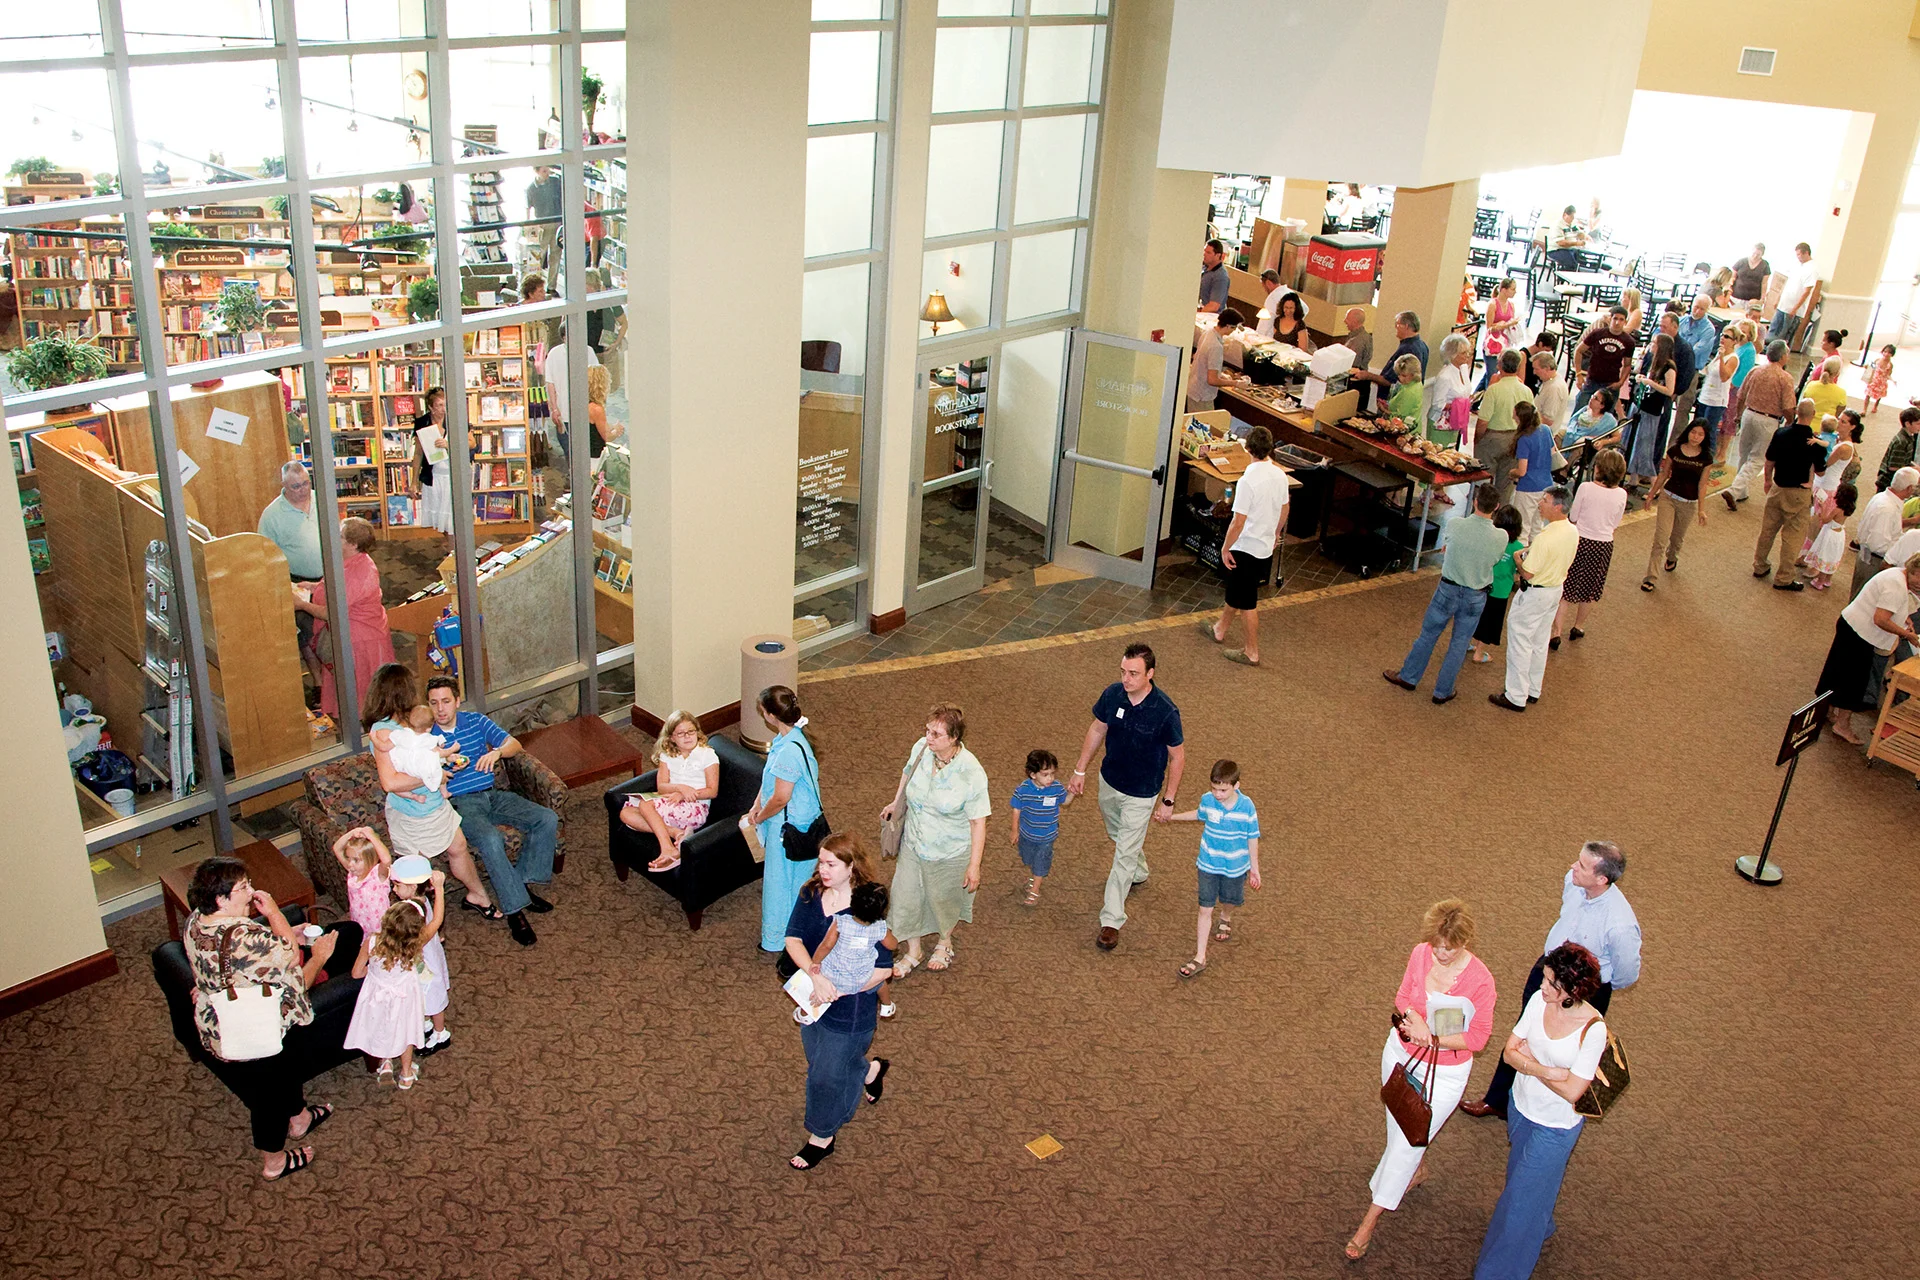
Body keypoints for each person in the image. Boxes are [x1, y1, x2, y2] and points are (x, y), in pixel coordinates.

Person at [181, 856, 362, 1179]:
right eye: (243, 887)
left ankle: (300, 1117)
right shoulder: (245, 938)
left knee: (285, 1067)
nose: (252, 891)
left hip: (216, 1017)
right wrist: (281, 919)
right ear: (222, 899)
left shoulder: (196, 921)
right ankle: (274, 1162)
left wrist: (285, 931)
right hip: (252, 1028)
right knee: (269, 1095)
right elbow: (293, 964)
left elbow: (225, 958)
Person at [1344, 900, 1498, 1263]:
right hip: (1400, 1054)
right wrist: (1413, 1021)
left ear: (1465, 942)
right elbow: (1402, 997)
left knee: (1403, 1148)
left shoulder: (1480, 981)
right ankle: (1419, 1168)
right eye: (1437, 945)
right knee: (1400, 1120)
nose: (1441, 953)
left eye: (1451, 947)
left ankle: (1369, 1222)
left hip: (1444, 1071)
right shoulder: (1420, 954)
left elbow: (1478, 1038)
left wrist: (1432, 1038)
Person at [1463, 841, 1639, 1122]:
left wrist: (1595, 989)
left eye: (1581, 865)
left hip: (1582, 991)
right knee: (1524, 1030)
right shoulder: (1574, 881)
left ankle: (1542, 1112)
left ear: (1601, 879)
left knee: (1561, 1047)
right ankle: (1497, 1100)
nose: (1572, 867)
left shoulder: (1620, 924)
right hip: (1547, 970)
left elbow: (1627, 971)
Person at [1470, 942, 1611, 1280]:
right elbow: (1508, 1053)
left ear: (1573, 991)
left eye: (1551, 983)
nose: (1542, 987)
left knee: (1518, 1203)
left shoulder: (1593, 1030)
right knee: (1524, 1182)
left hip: (1555, 1128)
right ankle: (1542, 1220)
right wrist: (1547, 1070)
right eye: (1544, 979)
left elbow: (1574, 1091)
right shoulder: (1538, 1000)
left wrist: (1528, 1061)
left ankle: (1497, 1273)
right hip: (1522, 1107)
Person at [783, 835, 892, 1171]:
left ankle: (822, 1137)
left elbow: (884, 967)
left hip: (851, 1007)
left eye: (831, 864)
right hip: (815, 995)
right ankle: (869, 1069)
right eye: (821, 861)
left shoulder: (864, 908)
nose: (822, 869)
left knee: (824, 1076)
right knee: (819, 1057)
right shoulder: (811, 892)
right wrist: (816, 976)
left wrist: (844, 989)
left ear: (851, 867)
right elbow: (793, 938)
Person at [1068, 643, 1186, 953]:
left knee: (1122, 856)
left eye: (1133, 673)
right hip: (1109, 782)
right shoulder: (1113, 694)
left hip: (1142, 793)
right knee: (1119, 836)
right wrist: (1080, 770)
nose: (1126, 679)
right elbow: (1097, 728)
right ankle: (1140, 868)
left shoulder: (1165, 711)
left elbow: (1177, 757)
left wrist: (1169, 800)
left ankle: (1111, 920)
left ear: (1151, 674)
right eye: (1123, 671)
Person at [426, 675, 559, 946]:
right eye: (434, 703)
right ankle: (514, 911)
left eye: (446, 701)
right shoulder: (426, 740)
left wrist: (496, 753)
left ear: (457, 701)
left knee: (547, 818)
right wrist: (443, 775)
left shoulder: (475, 721)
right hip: (462, 804)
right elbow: (423, 782)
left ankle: (520, 882)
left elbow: (515, 745)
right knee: (490, 839)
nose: (440, 709)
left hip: (494, 796)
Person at [362, 666, 494, 924]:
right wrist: (434, 775)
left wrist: (444, 762)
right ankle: (426, 928)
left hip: (435, 804)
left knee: (459, 846)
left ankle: (478, 895)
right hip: (411, 814)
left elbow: (426, 753)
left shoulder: (413, 719)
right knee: (417, 873)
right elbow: (390, 782)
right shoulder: (383, 730)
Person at [880, 704, 990, 976]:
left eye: (937, 734)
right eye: (928, 731)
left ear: (954, 738)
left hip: (948, 849)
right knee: (905, 895)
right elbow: (907, 772)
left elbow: (978, 821)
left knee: (943, 899)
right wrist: (896, 802)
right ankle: (913, 950)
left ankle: (944, 941)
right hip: (914, 841)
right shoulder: (921, 748)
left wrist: (974, 865)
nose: (929, 738)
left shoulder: (971, 772)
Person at [1384, 484, 1508, 704]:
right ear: (1497, 507)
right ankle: (1443, 691)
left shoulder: (1455, 524)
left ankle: (1409, 676)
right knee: (1459, 643)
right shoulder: (1501, 537)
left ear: (1475, 502)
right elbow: (1495, 560)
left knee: (1428, 634)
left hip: (1448, 588)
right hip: (1476, 595)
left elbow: (1447, 548)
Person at [343, 874, 444, 1091]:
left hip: (377, 993)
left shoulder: (372, 942)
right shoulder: (414, 945)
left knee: (383, 1025)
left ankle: (386, 1062)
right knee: (406, 1030)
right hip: (405, 995)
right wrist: (439, 889)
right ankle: (406, 1074)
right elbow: (436, 921)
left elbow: (356, 972)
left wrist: (375, 974)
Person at [1166, 759, 1261, 979]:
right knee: (1205, 908)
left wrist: (1254, 869)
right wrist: (1173, 818)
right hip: (1208, 862)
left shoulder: (1247, 806)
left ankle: (1226, 917)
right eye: (1214, 788)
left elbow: (1252, 837)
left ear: (1236, 786)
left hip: (1235, 867)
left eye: (1223, 790)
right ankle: (1200, 956)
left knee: (1229, 899)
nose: (1217, 794)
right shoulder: (1208, 800)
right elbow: (1199, 814)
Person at [746, 685, 824, 954]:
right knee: (796, 881)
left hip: (790, 827)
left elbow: (780, 798)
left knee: (782, 884)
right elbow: (770, 779)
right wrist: (757, 804)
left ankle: (780, 938)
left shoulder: (788, 749)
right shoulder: (791, 737)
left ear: (770, 715)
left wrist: (759, 816)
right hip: (798, 821)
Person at [294, 517, 396, 721]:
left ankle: (361, 731)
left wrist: (302, 605)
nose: (335, 538)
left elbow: (331, 613)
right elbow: (335, 588)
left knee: (360, 692)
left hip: (359, 641)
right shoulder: (349, 561)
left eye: (340, 535)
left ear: (352, 544)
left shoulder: (360, 572)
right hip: (354, 636)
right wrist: (314, 587)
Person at [1205, 425, 1287, 666]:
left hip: (1246, 546)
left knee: (1248, 601)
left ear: (1248, 448)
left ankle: (1252, 651)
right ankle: (1220, 628)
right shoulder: (1280, 475)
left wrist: (1225, 547)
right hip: (1264, 546)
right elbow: (1285, 508)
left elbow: (1238, 522)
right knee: (1239, 589)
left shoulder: (1247, 480)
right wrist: (1275, 534)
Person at [1490, 486, 1577, 713]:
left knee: (1520, 641)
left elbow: (1526, 573)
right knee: (1539, 642)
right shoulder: (1571, 531)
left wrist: (1518, 558)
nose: (1540, 503)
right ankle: (1532, 689)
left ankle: (1515, 695)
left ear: (1557, 506)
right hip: (1554, 590)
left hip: (1535, 593)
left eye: (1545, 500)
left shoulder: (1545, 538)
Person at [1818, 554, 1920, 744]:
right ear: (1913, 570)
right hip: (1861, 635)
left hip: (1852, 626)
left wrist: (1902, 618)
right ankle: (1842, 724)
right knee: (1854, 682)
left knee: (1837, 673)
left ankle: (1828, 710)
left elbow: (1887, 607)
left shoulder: (1897, 573)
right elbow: (1880, 619)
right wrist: (1906, 634)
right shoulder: (1896, 586)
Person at [618, 710, 720, 872]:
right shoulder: (668, 755)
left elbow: (712, 791)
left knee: (645, 806)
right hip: (670, 801)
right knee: (626, 813)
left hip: (695, 807)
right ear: (672, 737)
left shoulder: (707, 755)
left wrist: (686, 794)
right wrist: (680, 788)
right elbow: (662, 787)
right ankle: (676, 833)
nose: (687, 736)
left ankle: (667, 848)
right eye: (680, 734)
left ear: (697, 732)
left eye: (690, 731)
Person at [258, 461, 326, 691]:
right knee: (307, 635)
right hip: (298, 581)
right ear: (284, 485)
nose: (303, 490)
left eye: (306, 483)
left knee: (333, 628)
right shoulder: (272, 515)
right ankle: (318, 681)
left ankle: (336, 681)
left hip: (328, 576)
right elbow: (265, 555)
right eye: (296, 486)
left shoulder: (321, 498)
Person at [1552, 448, 1628, 644]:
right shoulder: (1621, 494)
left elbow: (1574, 516)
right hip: (1603, 545)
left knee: (1567, 587)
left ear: (1598, 469)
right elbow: (1616, 523)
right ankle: (1578, 626)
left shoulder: (1586, 488)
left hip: (1580, 540)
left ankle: (1556, 631)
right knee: (1591, 589)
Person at [1752, 397, 1828, 591]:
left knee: (1768, 530)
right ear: (1813, 415)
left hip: (1778, 488)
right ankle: (1784, 577)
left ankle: (1760, 565)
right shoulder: (1815, 443)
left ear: (1797, 413)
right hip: (1799, 493)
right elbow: (1821, 471)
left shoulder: (1781, 433)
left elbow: (1769, 461)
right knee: (1792, 537)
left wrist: (1768, 480)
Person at [388, 854, 453, 1052]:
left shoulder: (414, 911)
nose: (393, 889)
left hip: (426, 963)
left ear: (413, 886)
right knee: (420, 995)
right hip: (422, 959)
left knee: (433, 996)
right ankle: (425, 1022)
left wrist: (440, 890)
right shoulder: (418, 901)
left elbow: (435, 924)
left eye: (397, 885)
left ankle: (440, 1033)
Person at [1723, 339, 1797, 506]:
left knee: (1745, 454)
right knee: (1757, 459)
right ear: (1783, 356)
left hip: (1749, 414)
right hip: (1768, 420)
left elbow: (1741, 395)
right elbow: (1788, 406)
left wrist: (1739, 415)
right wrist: (1790, 422)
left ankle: (1740, 491)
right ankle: (1735, 490)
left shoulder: (1756, 371)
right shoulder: (1785, 378)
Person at [1641, 419, 1712, 590]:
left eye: (1700, 434)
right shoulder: (1674, 451)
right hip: (1669, 498)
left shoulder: (1706, 458)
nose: (1695, 437)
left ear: (1705, 437)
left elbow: (1703, 484)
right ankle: (1651, 577)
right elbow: (1664, 474)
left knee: (1676, 538)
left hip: (1688, 503)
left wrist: (1701, 510)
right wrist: (1651, 495)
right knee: (1661, 538)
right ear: (1688, 431)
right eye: (1693, 432)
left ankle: (1672, 556)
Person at [1008, 749, 1069, 907]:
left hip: (1047, 836)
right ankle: (1035, 874)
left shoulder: (1056, 787)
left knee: (1041, 862)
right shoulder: (1023, 790)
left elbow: (1065, 801)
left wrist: (1073, 792)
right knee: (1027, 858)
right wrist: (1014, 830)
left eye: (1052, 774)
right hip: (1027, 834)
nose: (1050, 778)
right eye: (1045, 774)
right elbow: (1016, 810)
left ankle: (1035, 889)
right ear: (1032, 774)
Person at [1468, 505, 1526, 667]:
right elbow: (1520, 570)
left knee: (1474, 614)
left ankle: (1467, 641)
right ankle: (1479, 652)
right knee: (1490, 622)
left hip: (1482, 583)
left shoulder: (1490, 538)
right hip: (1500, 591)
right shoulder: (1517, 548)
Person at [1851, 466, 1920, 599]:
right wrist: (1899, 550)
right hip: (1874, 561)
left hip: (1869, 557)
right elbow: (1877, 545)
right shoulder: (1887, 509)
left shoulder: (1884, 498)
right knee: (1866, 599)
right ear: (1909, 488)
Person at [1476, 350, 1535, 500]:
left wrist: (1478, 439)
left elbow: (1483, 421)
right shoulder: (1526, 391)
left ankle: (1482, 512)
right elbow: (1530, 420)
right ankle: (1499, 516)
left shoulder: (1494, 390)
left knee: (1483, 481)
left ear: (1500, 365)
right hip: (1515, 439)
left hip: (1493, 438)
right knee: (1505, 485)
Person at [1623, 333, 1678, 484]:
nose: (1651, 345)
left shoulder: (1669, 367)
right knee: (1633, 442)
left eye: (1654, 343)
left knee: (1645, 447)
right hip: (1640, 405)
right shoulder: (1652, 360)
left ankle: (1655, 484)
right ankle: (1633, 478)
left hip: (1652, 410)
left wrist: (1650, 383)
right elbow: (1637, 371)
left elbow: (1669, 390)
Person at [543, 319, 601, 460]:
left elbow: (596, 378)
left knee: (585, 446)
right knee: (567, 446)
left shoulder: (588, 351)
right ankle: (573, 472)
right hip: (564, 410)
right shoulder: (554, 354)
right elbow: (550, 383)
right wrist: (554, 408)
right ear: (564, 337)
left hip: (585, 410)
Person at [1356, 312, 1428, 412]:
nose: (1395, 327)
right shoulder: (1422, 345)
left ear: (1406, 326)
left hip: (1393, 404)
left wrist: (1367, 376)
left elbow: (1390, 380)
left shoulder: (1408, 349)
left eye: (1397, 324)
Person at [1186, 306, 1249, 414]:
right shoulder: (1216, 346)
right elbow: (1212, 380)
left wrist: (1221, 374)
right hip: (1202, 396)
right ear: (1228, 326)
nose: (1233, 331)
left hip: (1193, 389)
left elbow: (1201, 360)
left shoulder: (1208, 333)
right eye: (1233, 328)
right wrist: (1235, 383)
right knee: (1204, 427)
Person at [333, 825, 393, 935]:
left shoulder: (378, 875)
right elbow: (337, 848)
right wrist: (353, 832)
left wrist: (371, 836)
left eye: (356, 860)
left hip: (378, 927)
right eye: (348, 858)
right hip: (359, 921)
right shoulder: (353, 872)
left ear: (369, 858)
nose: (350, 864)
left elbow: (387, 859)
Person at [1573, 306, 1635, 411]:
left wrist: (1621, 382)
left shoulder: (1628, 341)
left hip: (1611, 384)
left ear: (1625, 322)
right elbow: (1579, 351)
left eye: (1621, 319)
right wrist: (1578, 374)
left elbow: (1627, 365)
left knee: (1605, 417)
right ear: (1610, 319)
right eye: (1615, 318)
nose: (1617, 322)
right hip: (1592, 380)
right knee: (1579, 411)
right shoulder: (1597, 333)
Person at [411, 386, 454, 534]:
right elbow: (418, 454)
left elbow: (472, 443)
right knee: (441, 519)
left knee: (453, 519)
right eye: (439, 405)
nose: (443, 409)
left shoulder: (454, 418)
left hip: (453, 476)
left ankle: (454, 552)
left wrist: (449, 445)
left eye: (445, 404)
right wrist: (414, 482)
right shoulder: (422, 422)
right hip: (434, 476)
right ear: (430, 407)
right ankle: (451, 551)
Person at [1509, 403, 1555, 540]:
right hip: (1546, 485)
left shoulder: (1524, 439)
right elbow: (1553, 453)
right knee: (1536, 527)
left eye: (1515, 415)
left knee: (1522, 529)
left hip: (1528, 488)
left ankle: (1519, 559)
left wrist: (1512, 472)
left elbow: (1522, 471)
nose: (1513, 417)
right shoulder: (1546, 430)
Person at [1695, 324, 1738, 446]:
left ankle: (1709, 456)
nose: (1723, 338)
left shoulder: (1733, 358)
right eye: (1722, 335)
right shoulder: (1719, 354)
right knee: (1698, 427)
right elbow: (1708, 371)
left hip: (1717, 400)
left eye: (1727, 337)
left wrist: (1722, 358)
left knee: (1709, 430)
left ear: (1734, 341)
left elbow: (1724, 377)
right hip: (1706, 396)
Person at [1769, 242, 1819, 345]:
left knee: (1783, 336)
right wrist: (1778, 299)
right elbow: (1786, 283)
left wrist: (1795, 308)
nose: (1798, 257)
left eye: (1799, 255)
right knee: (1773, 331)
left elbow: (1806, 292)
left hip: (1793, 309)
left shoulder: (1812, 269)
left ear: (1806, 253)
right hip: (1783, 305)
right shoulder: (1797, 266)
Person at [1808, 485, 1856, 591]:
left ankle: (1820, 581)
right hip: (1839, 534)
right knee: (1833, 557)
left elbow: (1825, 520)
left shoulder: (1837, 510)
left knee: (1825, 554)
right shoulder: (1848, 510)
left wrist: (1823, 507)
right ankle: (1827, 580)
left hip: (1830, 534)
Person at [525, 165, 564, 269]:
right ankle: (537, 280)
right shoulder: (531, 189)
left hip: (557, 223)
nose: (547, 173)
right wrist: (528, 227)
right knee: (538, 255)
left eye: (548, 170)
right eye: (544, 171)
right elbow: (527, 208)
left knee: (555, 256)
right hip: (542, 225)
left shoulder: (556, 182)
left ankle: (551, 285)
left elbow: (563, 199)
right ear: (536, 172)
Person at [1874, 405, 1920, 492]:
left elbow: (1905, 459)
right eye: (1918, 424)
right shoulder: (1901, 442)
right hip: (1888, 481)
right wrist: (1913, 470)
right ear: (1907, 424)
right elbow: (1893, 467)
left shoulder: (1909, 437)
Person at [1529, 352, 1569, 442]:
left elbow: (1548, 421)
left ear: (1547, 368)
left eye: (1536, 369)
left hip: (1542, 436)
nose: (1534, 372)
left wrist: (1527, 416)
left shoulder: (1554, 389)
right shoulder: (1548, 381)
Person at [1482, 277, 1521, 367]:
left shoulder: (1511, 305)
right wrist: (1508, 324)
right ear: (1504, 290)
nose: (1515, 291)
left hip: (1505, 343)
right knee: (1492, 372)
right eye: (1513, 289)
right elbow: (1489, 327)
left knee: (1494, 373)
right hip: (1493, 343)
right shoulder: (1492, 305)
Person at [1253, 269, 1302, 339]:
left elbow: (1264, 324)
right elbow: (1305, 308)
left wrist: (1257, 337)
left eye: (1264, 286)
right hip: (1291, 338)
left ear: (1268, 283)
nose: (1264, 289)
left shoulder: (1272, 298)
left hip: (1272, 338)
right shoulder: (1289, 292)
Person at [1797, 330, 1846, 397]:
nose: (1821, 342)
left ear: (1831, 343)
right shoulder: (1827, 356)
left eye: (1824, 340)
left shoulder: (1834, 360)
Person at [1804, 356, 1848, 424]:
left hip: (1807, 425)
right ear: (1838, 373)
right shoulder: (1841, 392)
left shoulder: (1811, 385)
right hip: (1827, 428)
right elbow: (1837, 415)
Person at [1544, 205, 1585, 271]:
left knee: (1582, 260)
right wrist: (1576, 243)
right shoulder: (1557, 225)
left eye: (1574, 217)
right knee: (1572, 263)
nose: (1573, 219)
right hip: (1556, 250)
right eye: (1571, 217)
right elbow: (1561, 243)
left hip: (1570, 249)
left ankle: (1580, 275)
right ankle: (1564, 279)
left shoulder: (1573, 223)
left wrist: (1583, 235)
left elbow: (1579, 233)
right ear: (1565, 215)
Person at [1728, 243, 1771, 307]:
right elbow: (1732, 277)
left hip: (1753, 300)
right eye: (1754, 253)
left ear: (1762, 255)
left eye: (1758, 254)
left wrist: (1763, 298)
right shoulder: (1742, 261)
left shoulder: (1765, 265)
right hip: (1736, 297)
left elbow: (1764, 283)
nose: (1755, 256)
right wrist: (1729, 288)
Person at [1197, 238, 1230, 315]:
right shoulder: (1204, 267)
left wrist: (1196, 313)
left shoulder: (1221, 276)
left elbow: (1214, 306)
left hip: (1211, 316)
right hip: (1202, 309)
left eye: (1208, 252)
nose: (1204, 254)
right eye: (1204, 251)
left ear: (1218, 255)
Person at [1338, 307, 1373, 373]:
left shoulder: (1358, 341)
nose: (1344, 321)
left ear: (1355, 321)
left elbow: (1353, 365)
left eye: (1347, 318)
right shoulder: (1367, 337)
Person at [1866, 343, 1895, 414]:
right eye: (1885, 351)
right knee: (1868, 394)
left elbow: (1889, 374)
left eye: (1889, 352)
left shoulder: (1890, 365)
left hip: (1882, 382)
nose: (1886, 354)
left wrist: (1892, 380)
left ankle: (1875, 406)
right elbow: (1871, 368)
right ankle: (1864, 409)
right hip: (1874, 380)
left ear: (1892, 354)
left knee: (1879, 396)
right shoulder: (1877, 360)